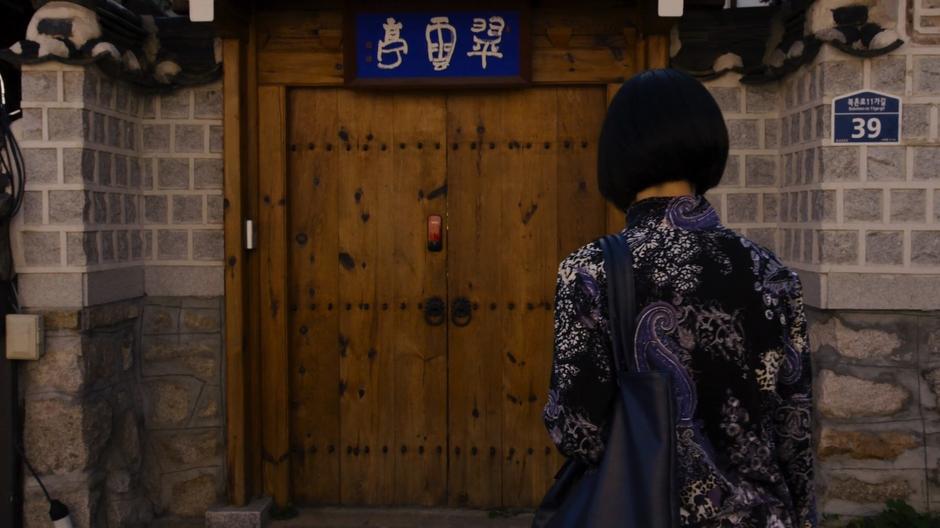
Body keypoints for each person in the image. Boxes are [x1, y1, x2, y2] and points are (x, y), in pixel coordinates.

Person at [543, 69, 816, 528]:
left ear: (617, 154)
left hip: (644, 509)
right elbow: (794, 426)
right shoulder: (772, 272)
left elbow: (577, 430)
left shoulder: (590, 271)